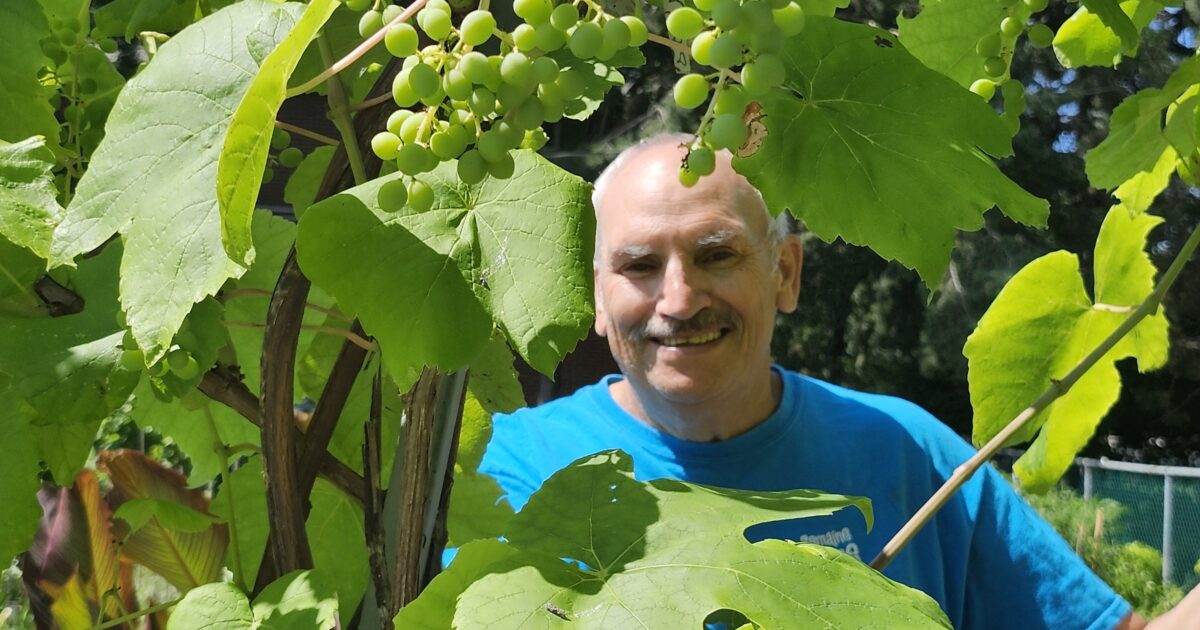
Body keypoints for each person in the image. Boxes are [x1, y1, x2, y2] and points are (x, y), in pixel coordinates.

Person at [473, 133, 1200, 628]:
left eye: (717, 254)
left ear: (785, 273)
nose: (678, 299)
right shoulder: (503, 470)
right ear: (596, 297)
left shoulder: (906, 451)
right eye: (637, 266)